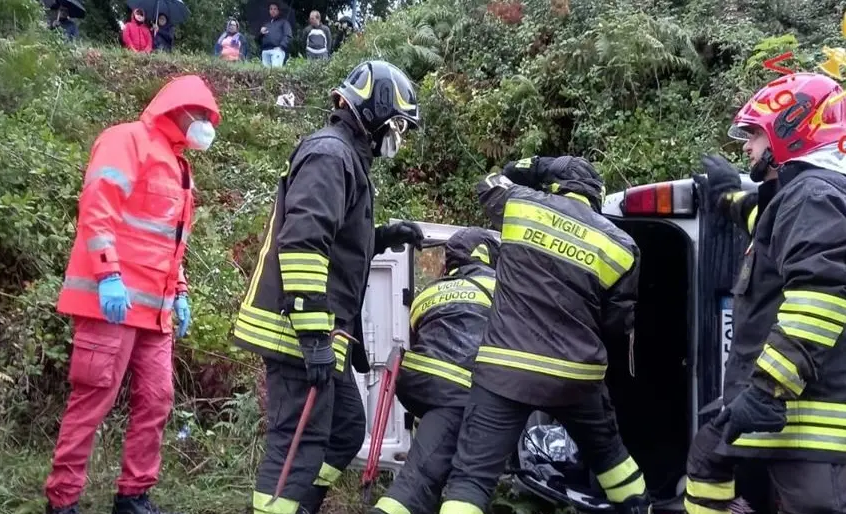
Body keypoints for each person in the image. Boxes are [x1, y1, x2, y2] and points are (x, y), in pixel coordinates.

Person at [231, 60, 423, 514]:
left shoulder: (345, 157)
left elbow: (337, 248)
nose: (396, 136)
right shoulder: (330, 154)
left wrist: (383, 237)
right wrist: (314, 336)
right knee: (297, 446)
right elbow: (302, 244)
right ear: (375, 112)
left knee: (343, 432)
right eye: (396, 124)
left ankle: (304, 505)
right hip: (298, 329)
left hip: (317, 331)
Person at [683, 72, 846, 514]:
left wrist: (766, 390)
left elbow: (818, 296)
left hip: (804, 406)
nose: (746, 145)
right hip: (788, 401)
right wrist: (729, 198)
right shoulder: (806, 196)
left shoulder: (814, 195)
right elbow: (771, 236)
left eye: (754, 133)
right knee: (708, 458)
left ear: (790, 130)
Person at [42, 75, 219, 514]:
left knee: (157, 400)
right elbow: (97, 211)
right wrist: (107, 276)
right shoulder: (127, 141)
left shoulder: (179, 165)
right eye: (200, 115)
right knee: (92, 400)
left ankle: (133, 495)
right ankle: (62, 500)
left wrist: (179, 291)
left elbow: (169, 242)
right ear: (178, 110)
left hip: (154, 311)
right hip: (111, 303)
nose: (204, 125)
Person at [438, 156, 653, 514]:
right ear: (596, 196)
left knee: (471, 478)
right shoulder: (622, 245)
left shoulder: (521, 204)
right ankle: (639, 509)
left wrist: (536, 165)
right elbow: (617, 324)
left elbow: (488, 182)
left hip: (505, 370)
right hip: (577, 376)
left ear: (553, 186)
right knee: (612, 459)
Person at [370, 228, 499, 514]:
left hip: (417, 383)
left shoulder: (429, 291)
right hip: (459, 386)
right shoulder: (501, 287)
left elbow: (419, 336)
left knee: (433, 457)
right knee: (427, 480)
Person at [259, 2, 292, 67]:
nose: (273, 11)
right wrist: (261, 34)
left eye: (275, 9)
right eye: (271, 9)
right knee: (265, 75)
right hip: (265, 51)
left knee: (275, 73)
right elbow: (259, 41)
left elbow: (288, 35)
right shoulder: (266, 24)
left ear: (278, 11)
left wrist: (281, 47)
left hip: (277, 51)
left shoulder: (284, 22)